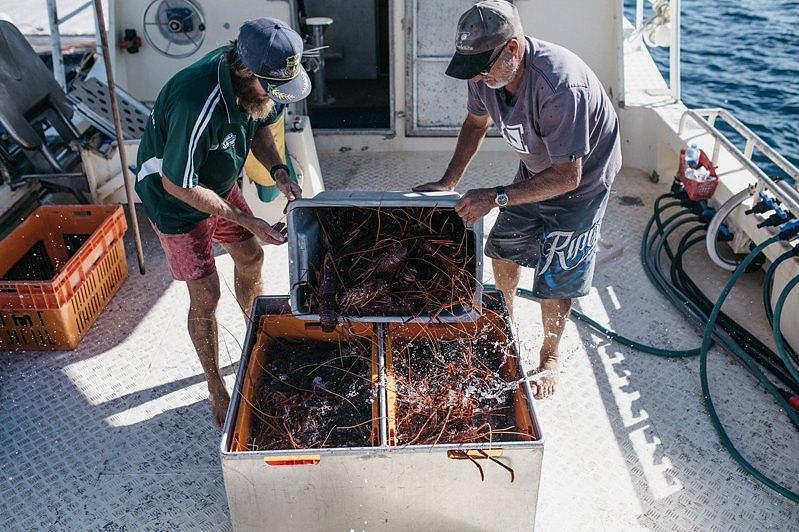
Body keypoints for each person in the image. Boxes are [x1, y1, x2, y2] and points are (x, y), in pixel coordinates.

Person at [414, 0, 621, 398]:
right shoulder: (484, 74)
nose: (476, 76)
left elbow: (568, 176)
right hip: (537, 167)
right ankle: (506, 323)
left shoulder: (561, 87)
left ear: (512, 48)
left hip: (582, 182)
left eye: (482, 67)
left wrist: (496, 196)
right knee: (502, 249)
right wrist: (448, 181)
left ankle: (550, 356)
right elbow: (476, 123)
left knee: (556, 273)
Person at [135, 18, 311, 426]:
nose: (277, 94)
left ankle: (257, 339)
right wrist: (248, 219)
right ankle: (216, 386)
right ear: (246, 71)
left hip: (217, 179)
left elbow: (262, 128)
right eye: (273, 86)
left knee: (250, 259)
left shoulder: (262, 86)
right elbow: (179, 184)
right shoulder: (197, 101)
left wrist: (279, 171)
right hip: (173, 199)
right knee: (206, 293)